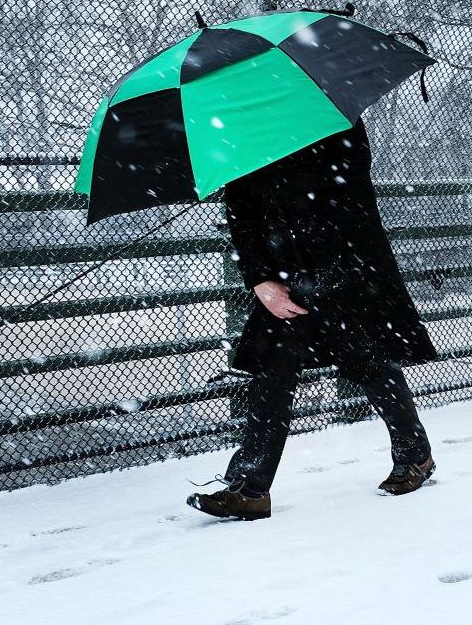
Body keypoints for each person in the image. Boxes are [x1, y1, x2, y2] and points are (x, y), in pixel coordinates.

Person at [187, 119, 437, 520]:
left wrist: (328, 271)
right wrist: (260, 281)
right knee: (272, 372)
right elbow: (242, 217)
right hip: (285, 279)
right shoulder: (242, 136)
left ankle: (415, 454)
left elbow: (350, 192)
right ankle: (250, 488)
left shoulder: (331, 118)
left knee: (368, 363)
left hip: (347, 270)